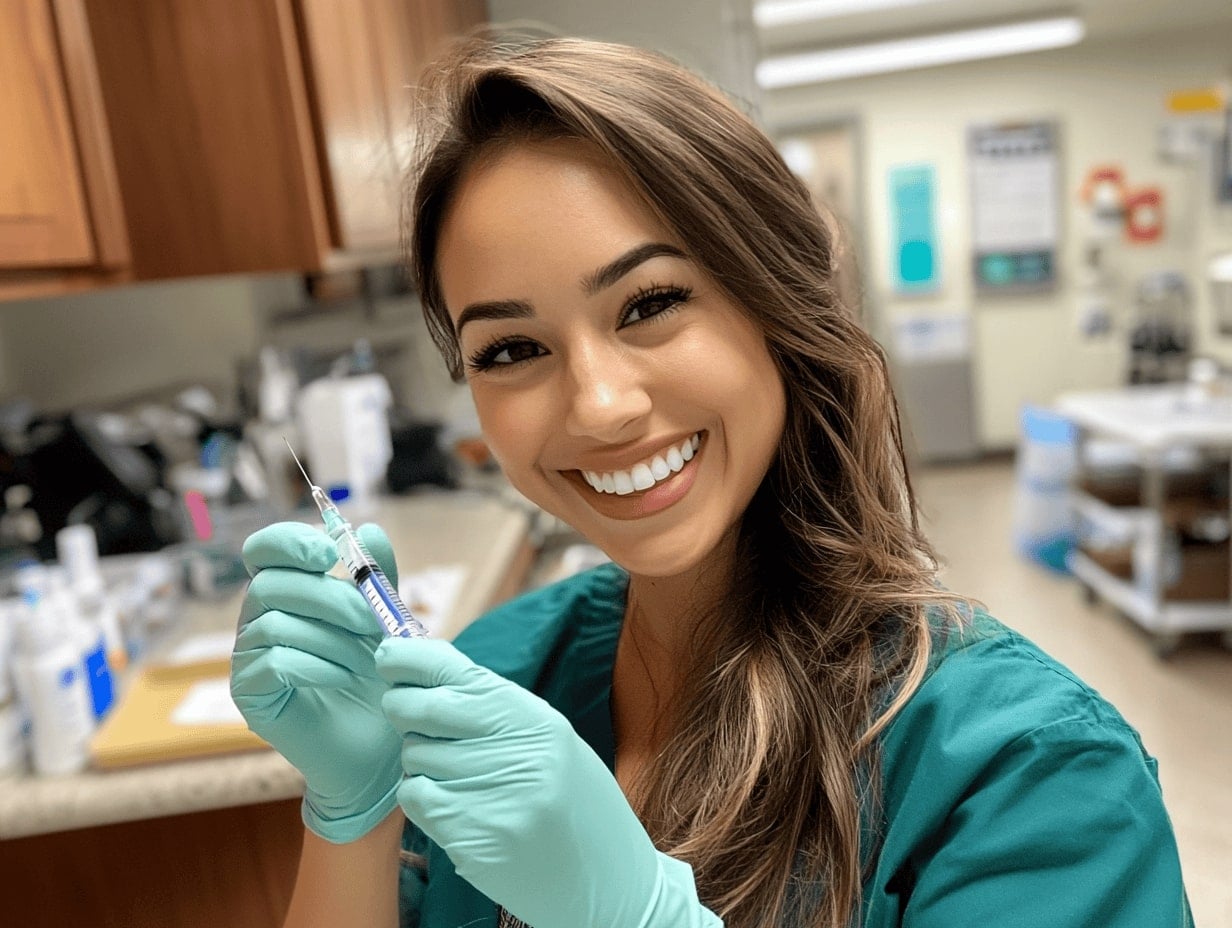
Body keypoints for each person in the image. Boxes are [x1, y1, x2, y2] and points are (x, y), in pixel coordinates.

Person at [230, 33, 1193, 928]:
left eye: (650, 302)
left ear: (780, 304)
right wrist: (351, 813)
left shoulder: (1027, 776)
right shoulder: (500, 671)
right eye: (512, 347)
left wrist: (642, 915)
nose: (600, 405)